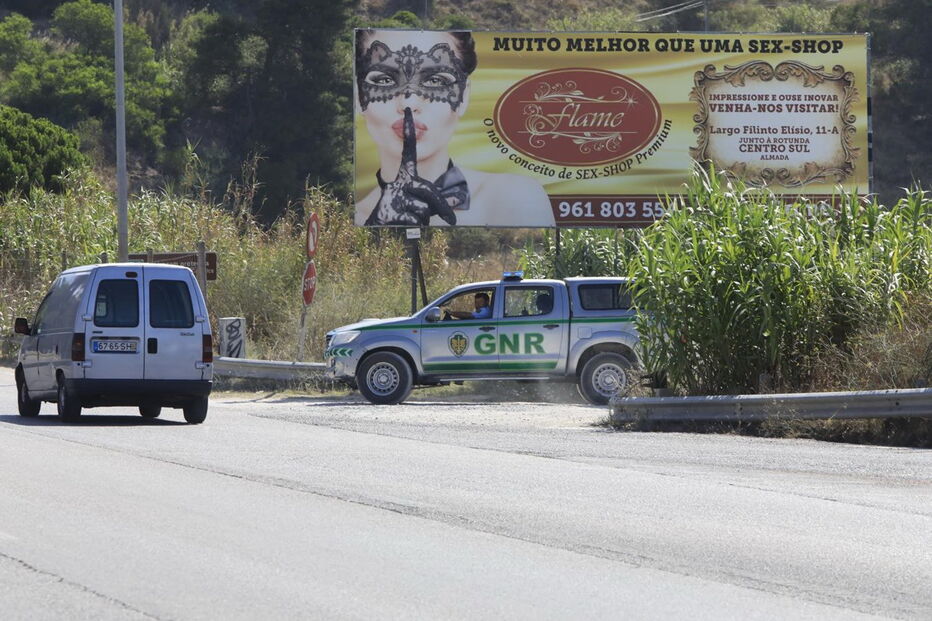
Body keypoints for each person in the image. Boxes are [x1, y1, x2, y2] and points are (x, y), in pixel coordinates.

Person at [354, 29, 554, 227]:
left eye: (435, 80)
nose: (408, 103)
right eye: (384, 80)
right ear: (359, 96)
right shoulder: (354, 221)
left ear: (463, 97)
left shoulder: (516, 198)